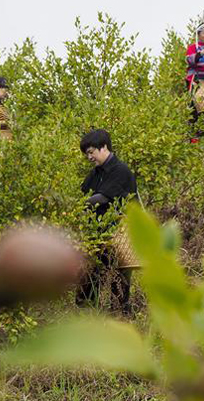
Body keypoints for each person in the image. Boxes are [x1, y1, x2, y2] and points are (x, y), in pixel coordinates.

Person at [76, 129, 138, 314]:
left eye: (91, 152)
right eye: (86, 153)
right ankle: (87, 309)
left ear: (103, 148)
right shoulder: (96, 173)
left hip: (120, 232)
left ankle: (120, 314)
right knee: (91, 271)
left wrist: (73, 206)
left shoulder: (120, 170)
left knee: (120, 273)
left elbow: (101, 198)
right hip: (100, 232)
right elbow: (85, 191)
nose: (89, 157)